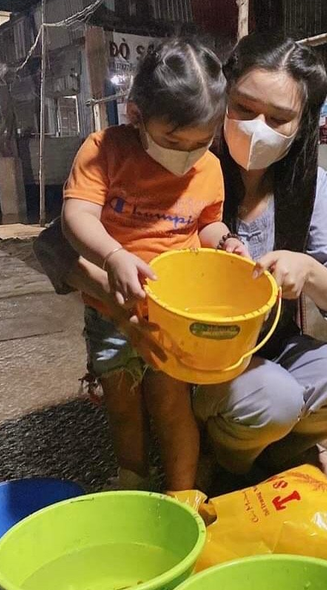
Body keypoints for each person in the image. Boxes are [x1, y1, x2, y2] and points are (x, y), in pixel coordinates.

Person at [35, 32, 327, 485]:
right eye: (244, 108)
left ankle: (273, 453)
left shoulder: (300, 186)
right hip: (188, 344)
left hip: (264, 344)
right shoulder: (175, 145)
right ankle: (212, 463)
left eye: (279, 118)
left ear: (303, 123)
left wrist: (311, 272)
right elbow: (54, 243)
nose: (257, 127)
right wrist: (123, 307)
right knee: (257, 398)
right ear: (222, 99)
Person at [59, 37, 247, 494]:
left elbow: (207, 224)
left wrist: (227, 241)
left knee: (172, 405)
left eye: (201, 142)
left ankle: (182, 492)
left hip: (172, 312)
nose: (185, 154)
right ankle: (131, 480)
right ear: (136, 115)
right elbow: (75, 217)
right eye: (171, 140)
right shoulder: (104, 151)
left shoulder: (209, 169)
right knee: (123, 407)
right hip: (110, 311)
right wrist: (115, 255)